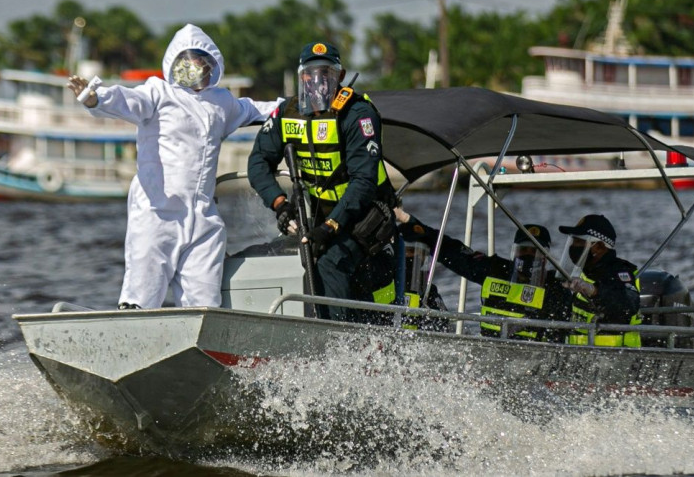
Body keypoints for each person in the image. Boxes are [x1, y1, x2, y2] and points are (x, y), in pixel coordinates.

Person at [67, 24, 279, 309]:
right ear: (173, 63)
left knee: (204, 302)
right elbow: (129, 99)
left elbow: (258, 109)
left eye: (200, 61)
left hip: (203, 217)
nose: (193, 68)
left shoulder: (221, 102)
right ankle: (131, 336)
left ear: (211, 64)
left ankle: (204, 346)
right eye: (186, 61)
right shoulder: (158, 93)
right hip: (158, 213)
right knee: (141, 294)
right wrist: (95, 98)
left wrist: (300, 104)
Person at [247, 41, 396, 321]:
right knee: (279, 256)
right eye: (311, 73)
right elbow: (257, 163)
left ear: (339, 76)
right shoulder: (286, 113)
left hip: (364, 214)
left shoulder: (357, 113)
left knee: (330, 261)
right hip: (315, 214)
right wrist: (280, 204)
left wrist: (330, 227)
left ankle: (338, 341)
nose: (318, 81)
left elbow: (364, 181)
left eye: (326, 73)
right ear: (301, 76)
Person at [395, 207, 570, 340]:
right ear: (514, 252)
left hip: (535, 356)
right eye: (523, 249)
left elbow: (560, 329)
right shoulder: (496, 270)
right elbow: (454, 253)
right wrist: (416, 226)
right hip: (491, 351)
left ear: (546, 258)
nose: (528, 255)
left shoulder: (555, 286)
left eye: (535, 252)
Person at [557, 214, 642, 347]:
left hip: (618, 357)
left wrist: (594, 291)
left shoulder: (621, 272)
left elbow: (628, 304)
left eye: (579, 242)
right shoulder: (583, 272)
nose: (573, 246)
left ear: (599, 247)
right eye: (573, 241)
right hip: (579, 356)